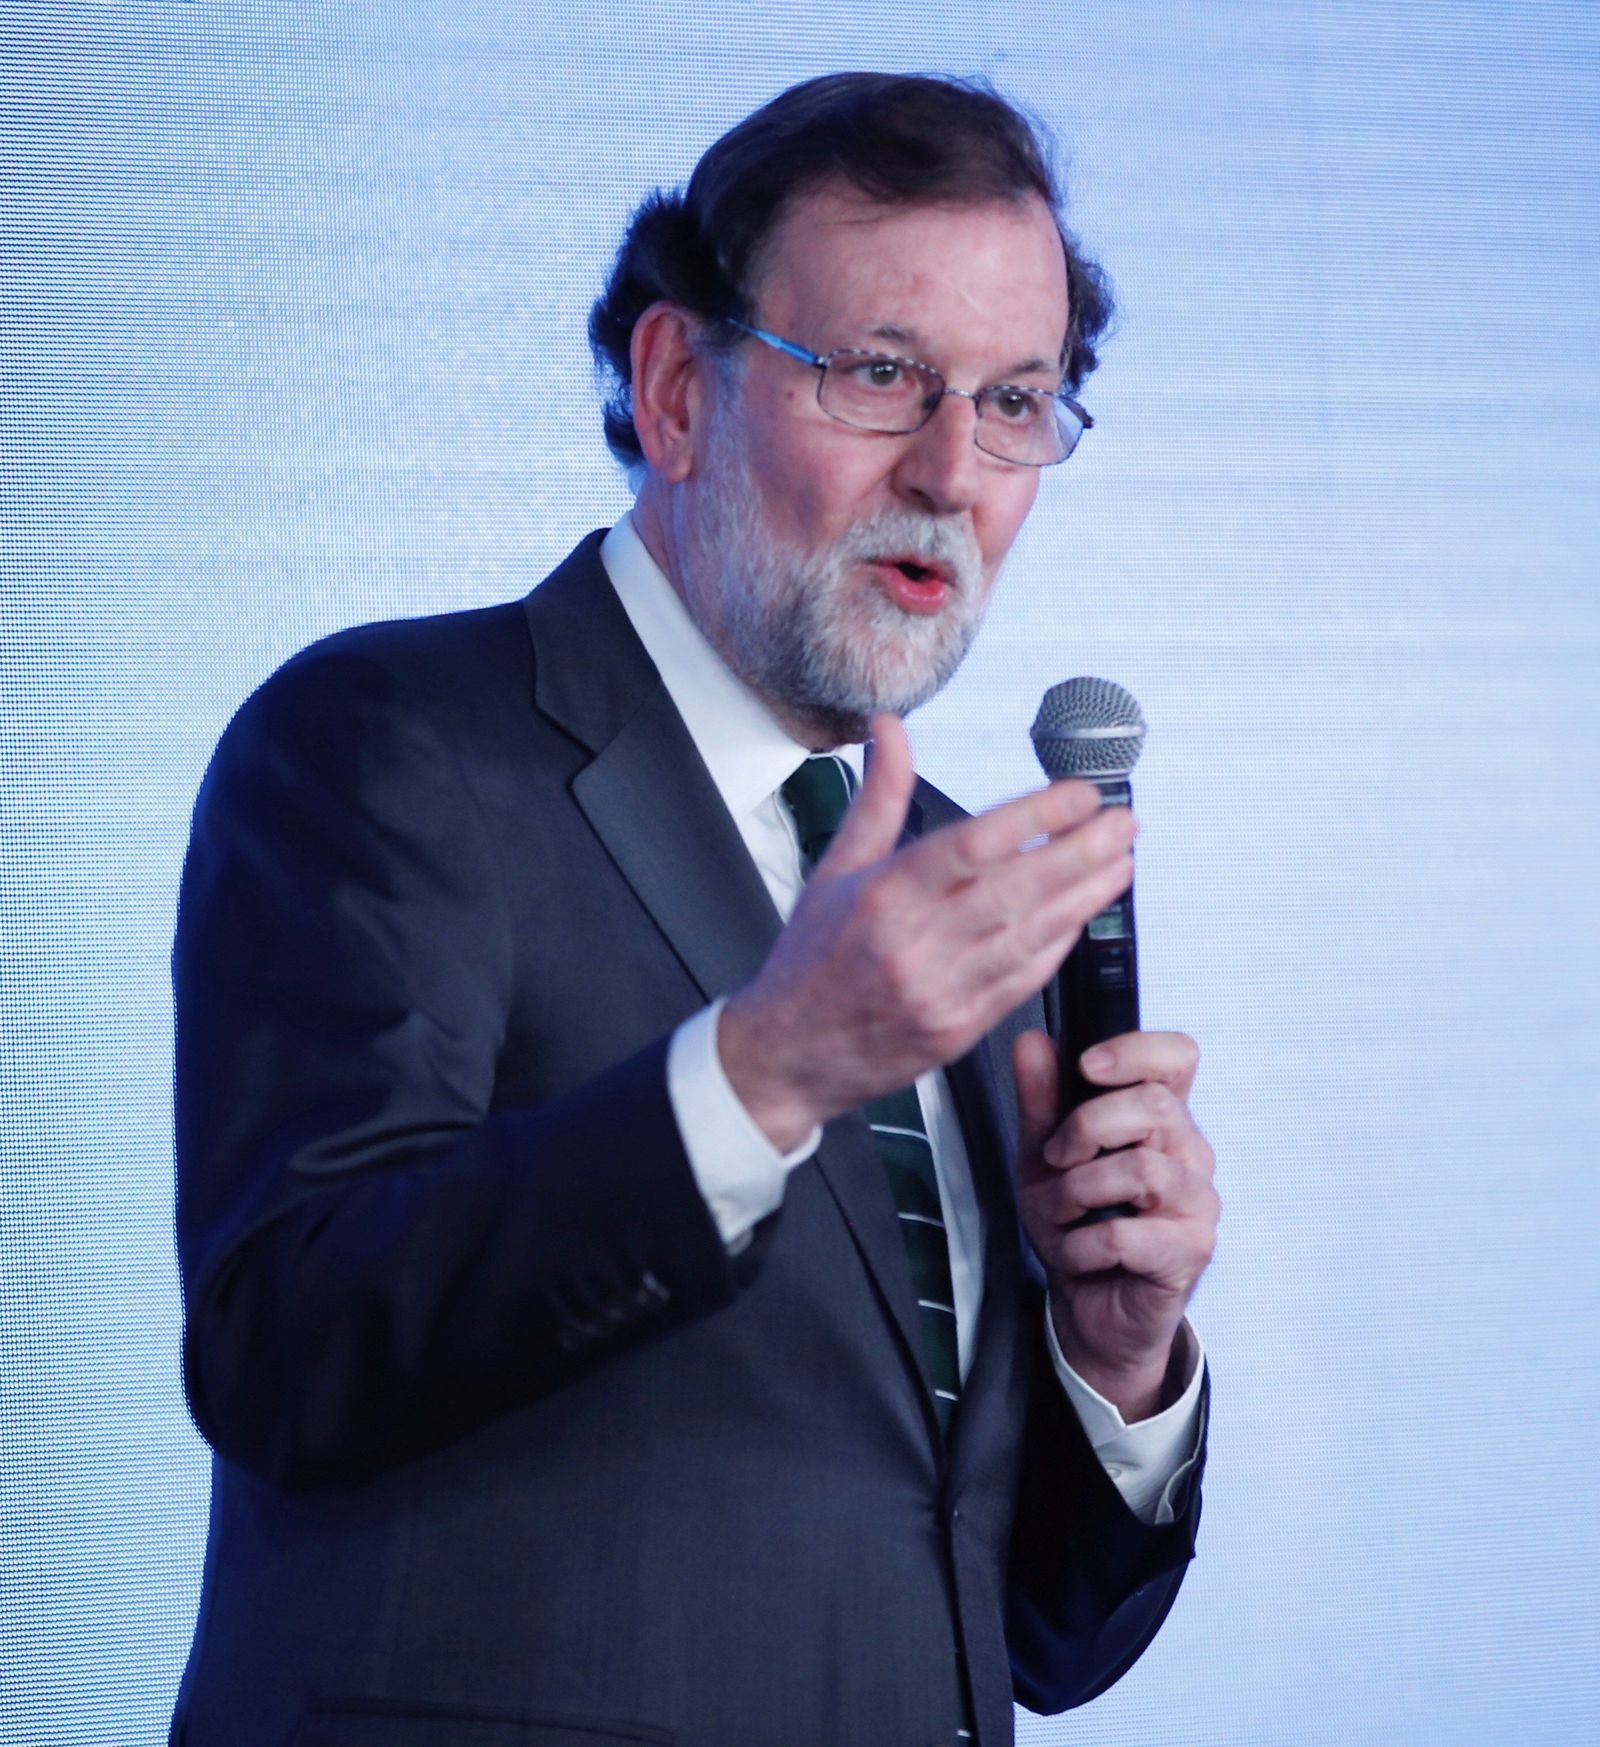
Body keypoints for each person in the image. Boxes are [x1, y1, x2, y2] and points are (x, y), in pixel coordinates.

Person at [169, 72, 1219, 1747]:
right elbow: (286, 1348)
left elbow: (1032, 1641)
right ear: (675, 389)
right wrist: (766, 1073)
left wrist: (1117, 1360)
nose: (956, 470)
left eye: (1018, 399)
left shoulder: (953, 893)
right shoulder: (386, 745)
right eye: (884, 374)